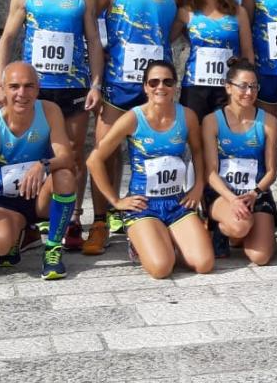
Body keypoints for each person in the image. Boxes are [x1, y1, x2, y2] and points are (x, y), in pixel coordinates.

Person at [0, 0, 103, 253]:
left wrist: (96, 83)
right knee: (26, 154)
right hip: (31, 91)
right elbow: (6, 40)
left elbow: (94, 42)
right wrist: (1, 83)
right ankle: (27, 223)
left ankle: (72, 219)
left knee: (72, 155)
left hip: (72, 87)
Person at [91, 0, 183, 254]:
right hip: (119, 83)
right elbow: (91, 25)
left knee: (164, 148)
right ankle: (102, 219)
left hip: (158, 86)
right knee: (106, 149)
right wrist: (99, 73)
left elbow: (175, 26)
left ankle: (164, 215)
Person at [87, 59, 213, 279]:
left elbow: (199, 152)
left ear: (175, 86)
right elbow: (94, 160)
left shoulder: (187, 116)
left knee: (204, 264)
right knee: (162, 268)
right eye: (153, 82)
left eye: (167, 82)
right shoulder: (133, 118)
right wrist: (116, 202)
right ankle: (141, 241)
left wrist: (198, 187)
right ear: (145, 87)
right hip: (143, 205)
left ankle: (166, 238)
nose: (160, 87)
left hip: (176, 202)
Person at [0, 62, 78, 281]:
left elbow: (67, 158)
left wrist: (43, 165)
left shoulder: (49, 111)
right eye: (14, 87)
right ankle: (21, 234)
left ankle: (53, 250)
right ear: (3, 89)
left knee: (64, 175)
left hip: (41, 196)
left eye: (28, 86)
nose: (21, 94)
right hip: (7, 202)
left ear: (37, 88)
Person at [64, 0, 116, 251]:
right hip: (72, 70)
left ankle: (107, 212)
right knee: (73, 147)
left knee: (110, 144)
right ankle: (72, 215)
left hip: (112, 65)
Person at [202, 59, 277, 266]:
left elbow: (272, 171)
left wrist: (255, 193)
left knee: (260, 257)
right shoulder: (211, 121)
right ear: (228, 87)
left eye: (254, 86)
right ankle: (221, 227)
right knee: (239, 226)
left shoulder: (268, 121)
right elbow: (209, 172)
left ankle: (240, 232)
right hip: (223, 193)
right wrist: (232, 199)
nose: (249, 92)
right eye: (243, 86)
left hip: (255, 192)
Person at [179, 0, 253, 119]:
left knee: (226, 135)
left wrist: (249, 85)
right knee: (195, 140)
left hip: (228, 87)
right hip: (195, 87)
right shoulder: (186, 11)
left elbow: (247, 52)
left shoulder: (239, 13)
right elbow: (167, 38)